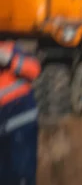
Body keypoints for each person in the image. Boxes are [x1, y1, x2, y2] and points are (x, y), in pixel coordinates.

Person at [0, 41, 41, 185]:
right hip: (5, 128)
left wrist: (10, 60)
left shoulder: (8, 49)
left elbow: (34, 69)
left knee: (21, 175)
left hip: (21, 124)